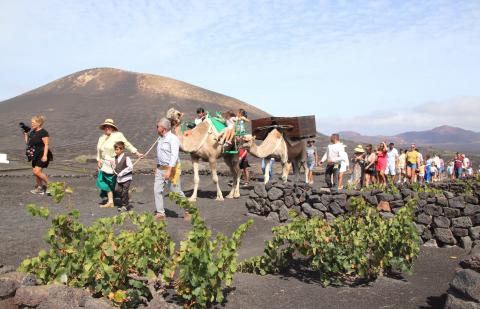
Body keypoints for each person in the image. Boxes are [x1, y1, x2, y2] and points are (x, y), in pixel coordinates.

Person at [96, 119, 143, 208]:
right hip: (103, 163)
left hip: (113, 163)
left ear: (112, 128)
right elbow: (99, 150)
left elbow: (127, 144)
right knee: (103, 182)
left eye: (109, 127)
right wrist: (98, 160)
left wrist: (137, 153)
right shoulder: (101, 138)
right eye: (105, 127)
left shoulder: (117, 135)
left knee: (110, 182)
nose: (107, 128)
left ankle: (118, 198)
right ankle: (111, 201)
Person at [154, 118, 190, 220]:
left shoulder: (173, 138)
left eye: (158, 126)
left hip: (172, 169)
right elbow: (160, 154)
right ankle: (160, 213)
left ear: (163, 128)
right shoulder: (160, 139)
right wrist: (157, 166)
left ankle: (189, 210)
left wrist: (169, 170)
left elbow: (174, 155)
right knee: (157, 190)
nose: (156, 128)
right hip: (161, 168)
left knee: (176, 191)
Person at [24, 115, 53, 195]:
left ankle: (51, 186)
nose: (31, 124)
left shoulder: (43, 132)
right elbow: (28, 143)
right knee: (35, 172)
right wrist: (25, 134)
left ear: (39, 123)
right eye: (31, 122)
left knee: (37, 171)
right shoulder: (33, 132)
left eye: (33, 122)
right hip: (35, 154)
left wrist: (45, 155)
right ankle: (40, 188)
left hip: (42, 153)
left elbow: (46, 145)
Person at [113, 141, 133, 212]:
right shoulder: (115, 158)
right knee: (119, 191)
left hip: (127, 178)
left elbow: (130, 167)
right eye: (115, 149)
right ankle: (125, 199)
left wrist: (122, 173)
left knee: (124, 191)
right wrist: (112, 165)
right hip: (119, 179)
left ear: (122, 149)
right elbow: (115, 167)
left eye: (117, 149)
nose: (116, 151)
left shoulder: (126, 158)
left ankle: (125, 205)